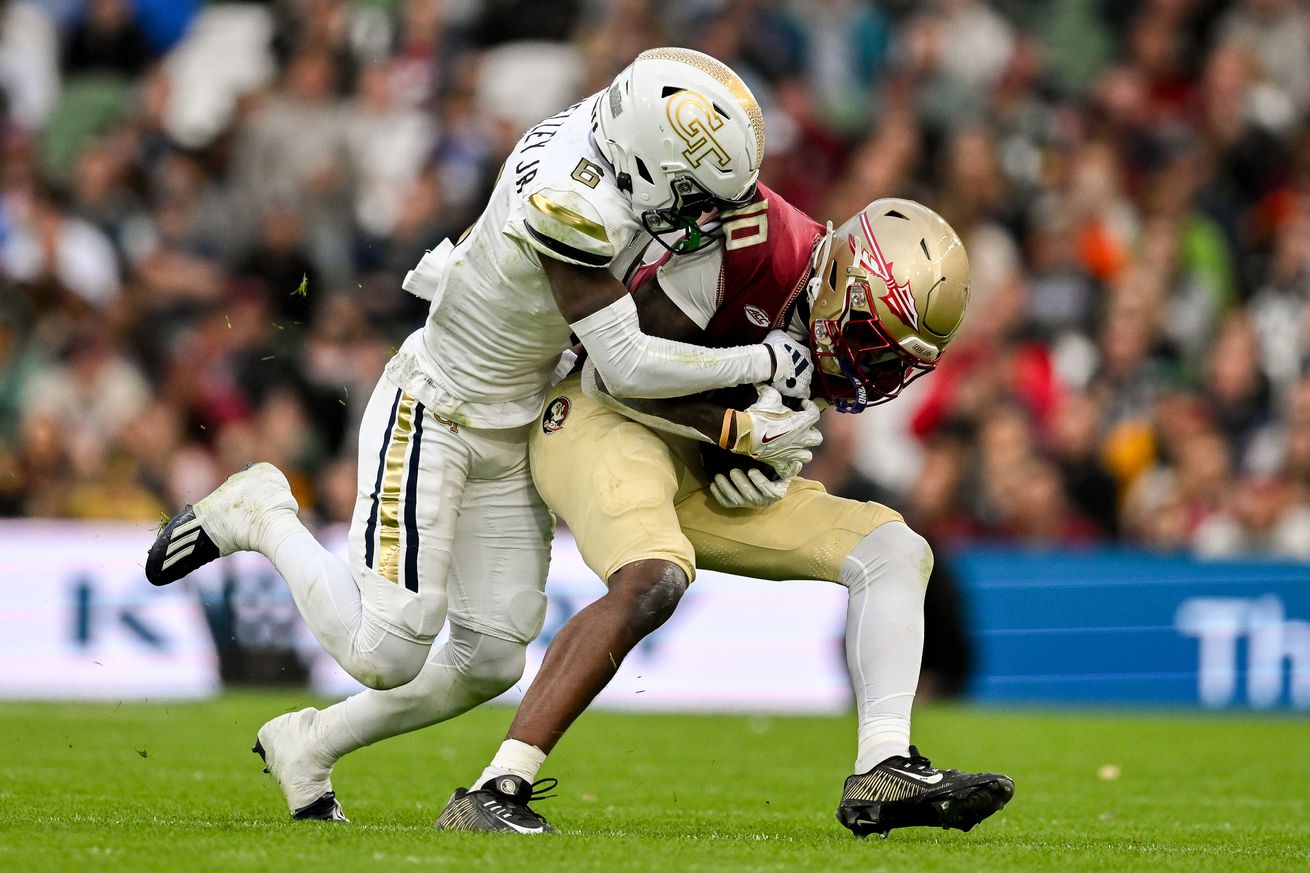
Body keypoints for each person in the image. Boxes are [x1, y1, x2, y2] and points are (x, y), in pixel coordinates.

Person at [145, 49, 819, 821]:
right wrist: (765, 359)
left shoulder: (619, 131)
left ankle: (309, 743)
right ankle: (258, 510)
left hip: (514, 418)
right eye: (695, 193)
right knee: (386, 649)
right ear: (647, 156)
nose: (702, 214)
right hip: (441, 407)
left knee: (492, 654)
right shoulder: (573, 199)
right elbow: (624, 364)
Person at [437, 194, 1014, 838]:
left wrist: (755, 468)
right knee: (653, 578)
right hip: (592, 419)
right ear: (842, 284)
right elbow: (614, 372)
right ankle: (494, 787)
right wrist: (735, 432)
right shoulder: (750, 248)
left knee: (893, 550)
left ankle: (884, 766)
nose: (870, 368)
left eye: (891, 360)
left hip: (686, 453)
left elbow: (765, 428)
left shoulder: (820, 313)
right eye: (870, 342)